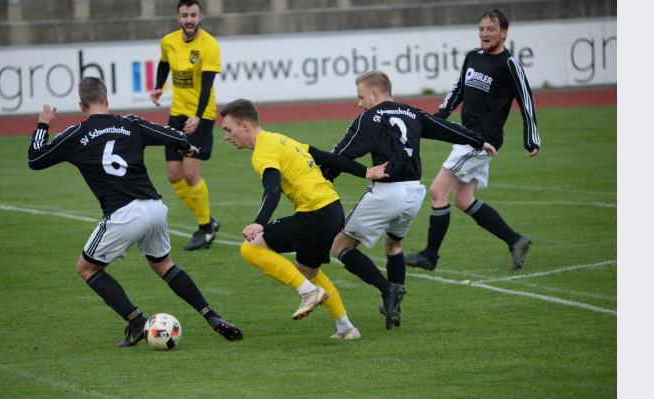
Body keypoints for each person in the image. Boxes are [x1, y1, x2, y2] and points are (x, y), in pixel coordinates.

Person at [27, 76, 242, 347]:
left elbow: (35, 159)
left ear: (81, 105)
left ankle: (136, 320)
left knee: (87, 268)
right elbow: (175, 136)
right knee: (164, 265)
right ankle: (211, 315)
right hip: (155, 208)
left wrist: (43, 124)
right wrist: (188, 146)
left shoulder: (76, 134)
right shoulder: (130, 123)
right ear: (107, 100)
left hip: (123, 214)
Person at [320, 71, 497, 329]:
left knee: (339, 246)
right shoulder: (413, 113)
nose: (359, 103)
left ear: (375, 94)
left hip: (386, 193)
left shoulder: (367, 119)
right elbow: (447, 129)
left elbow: (342, 154)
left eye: (361, 97)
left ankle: (387, 289)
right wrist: (479, 141)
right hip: (414, 194)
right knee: (393, 247)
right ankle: (395, 307)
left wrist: (324, 178)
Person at [219, 99, 389, 340]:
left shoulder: (263, 150)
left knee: (250, 248)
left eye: (228, 129)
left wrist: (259, 222)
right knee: (308, 270)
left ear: (245, 125)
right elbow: (324, 156)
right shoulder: (281, 139)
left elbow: (273, 189)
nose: (226, 136)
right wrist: (365, 171)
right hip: (332, 210)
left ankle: (307, 292)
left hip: (316, 215)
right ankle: (346, 328)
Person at [405, 9, 541, 272]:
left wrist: (531, 138)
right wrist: (440, 116)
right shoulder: (472, 57)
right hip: (466, 136)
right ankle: (515, 240)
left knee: (437, 191)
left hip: (482, 140)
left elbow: (526, 99)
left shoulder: (509, 64)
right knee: (463, 199)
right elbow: (458, 89)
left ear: (504, 33)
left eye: (491, 29)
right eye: (481, 29)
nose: (485, 34)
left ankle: (429, 256)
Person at [150, 0, 221, 251]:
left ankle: (205, 228)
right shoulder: (169, 41)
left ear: (200, 16)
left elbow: (207, 86)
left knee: (191, 174)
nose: (189, 19)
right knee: (174, 175)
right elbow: (164, 63)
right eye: (184, 15)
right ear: (178, 18)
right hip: (177, 114)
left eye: (193, 15)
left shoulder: (209, 45)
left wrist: (199, 116)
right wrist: (159, 86)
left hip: (201, 116)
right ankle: (209, 220)